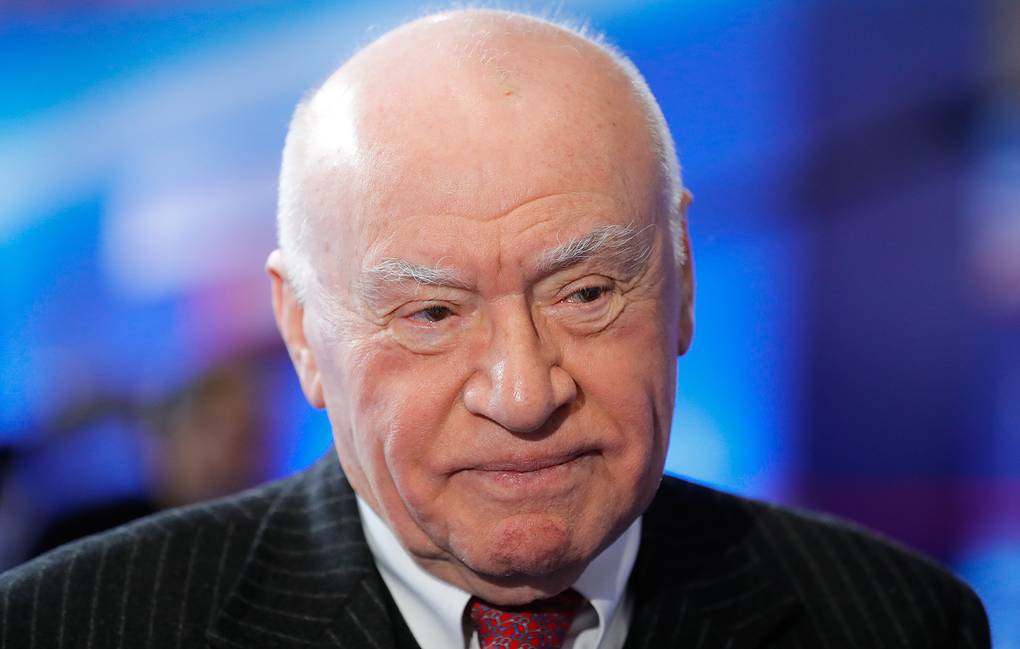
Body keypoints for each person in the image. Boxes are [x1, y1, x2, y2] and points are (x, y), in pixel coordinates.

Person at [0, 9, 990, 649]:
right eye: (432, 313)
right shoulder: (68, 628)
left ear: (683, 280)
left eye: (586, 293)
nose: (523, 394)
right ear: (301, 331)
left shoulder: (897, 622)